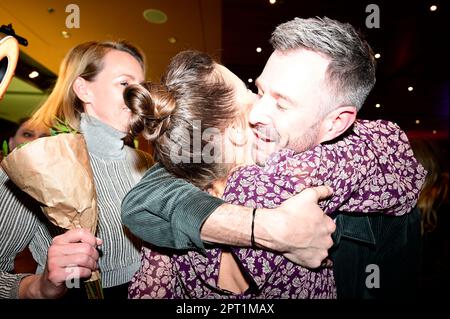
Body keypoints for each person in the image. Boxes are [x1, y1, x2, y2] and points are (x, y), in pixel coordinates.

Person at [121, 18, 426, 298]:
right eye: (257, 90)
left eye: (282, 104)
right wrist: (265, 228)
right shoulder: (181, 186)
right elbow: (138, 202)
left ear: (336, 123)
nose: (256, 112)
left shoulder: (376, 195)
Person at [0, 40, 154, 299]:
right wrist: (40, 287)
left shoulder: (145, 162)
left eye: (142, 86)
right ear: (83, 89)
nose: (140, 96)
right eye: (125, 83)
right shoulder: (39, 163)